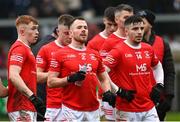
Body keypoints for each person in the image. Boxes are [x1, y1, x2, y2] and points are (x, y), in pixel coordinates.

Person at [47, 17, 115, 121]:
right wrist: (69, 79)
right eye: (79, 27)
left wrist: (107, 92)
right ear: (70, 33)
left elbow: (104, 78)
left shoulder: (95, 54)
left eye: (85, 28)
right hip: (71, 109)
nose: (83, 30)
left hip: (93, 109)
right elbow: (51, 82)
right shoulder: (59, 54)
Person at [103, 15, 164, 121]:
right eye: (135, 29)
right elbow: (102, 71)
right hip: (126, 109)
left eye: (141, 28)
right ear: (126, 31)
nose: (139, 32)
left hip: (149, 106)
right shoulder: (118, 50)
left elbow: (157, 65)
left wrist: (159, 84)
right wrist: (118, 91)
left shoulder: (148, 48)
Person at [137, 9, 175, 121]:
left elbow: (169, 72)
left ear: (151, 24)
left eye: (143, 22)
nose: (139, 26)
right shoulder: (131, 44)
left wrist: (169, 96)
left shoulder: (162, 43)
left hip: (159, 98)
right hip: (137, 100)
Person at [7, 15, 45, 121]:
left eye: (37, 28)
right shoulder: (20, 48)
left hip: (26, 105)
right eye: (33, 29)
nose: (37, 32)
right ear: (22, 31)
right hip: (21, 106)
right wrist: (32, 97)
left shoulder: (26, 49)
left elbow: (27, 77)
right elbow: (13, 76)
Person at [36, 14, 74, 121]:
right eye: (66, 33)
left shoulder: (80, 48)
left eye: (71, 33)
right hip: (55, 105)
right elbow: (36, 76)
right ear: (58, 32)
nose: (69, 37)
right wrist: (56, 73)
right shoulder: (46, 49)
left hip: (76, 104)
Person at [100, 4, 134, 121]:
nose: (129, 20)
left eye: (131, 16)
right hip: (119, 96)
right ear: (116, 20)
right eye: (125, 17)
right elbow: (101, 71)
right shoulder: (110, 42)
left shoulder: (137, 39)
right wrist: (115, 91)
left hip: (136, 96)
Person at [87, 6, 117, 118]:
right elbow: (92, 70)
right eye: (109, 24)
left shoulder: (125, 40)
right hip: (103, 93)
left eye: (115, 25)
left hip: (123, 92)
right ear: (104, 20)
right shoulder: (94, 43)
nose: (113, 28)